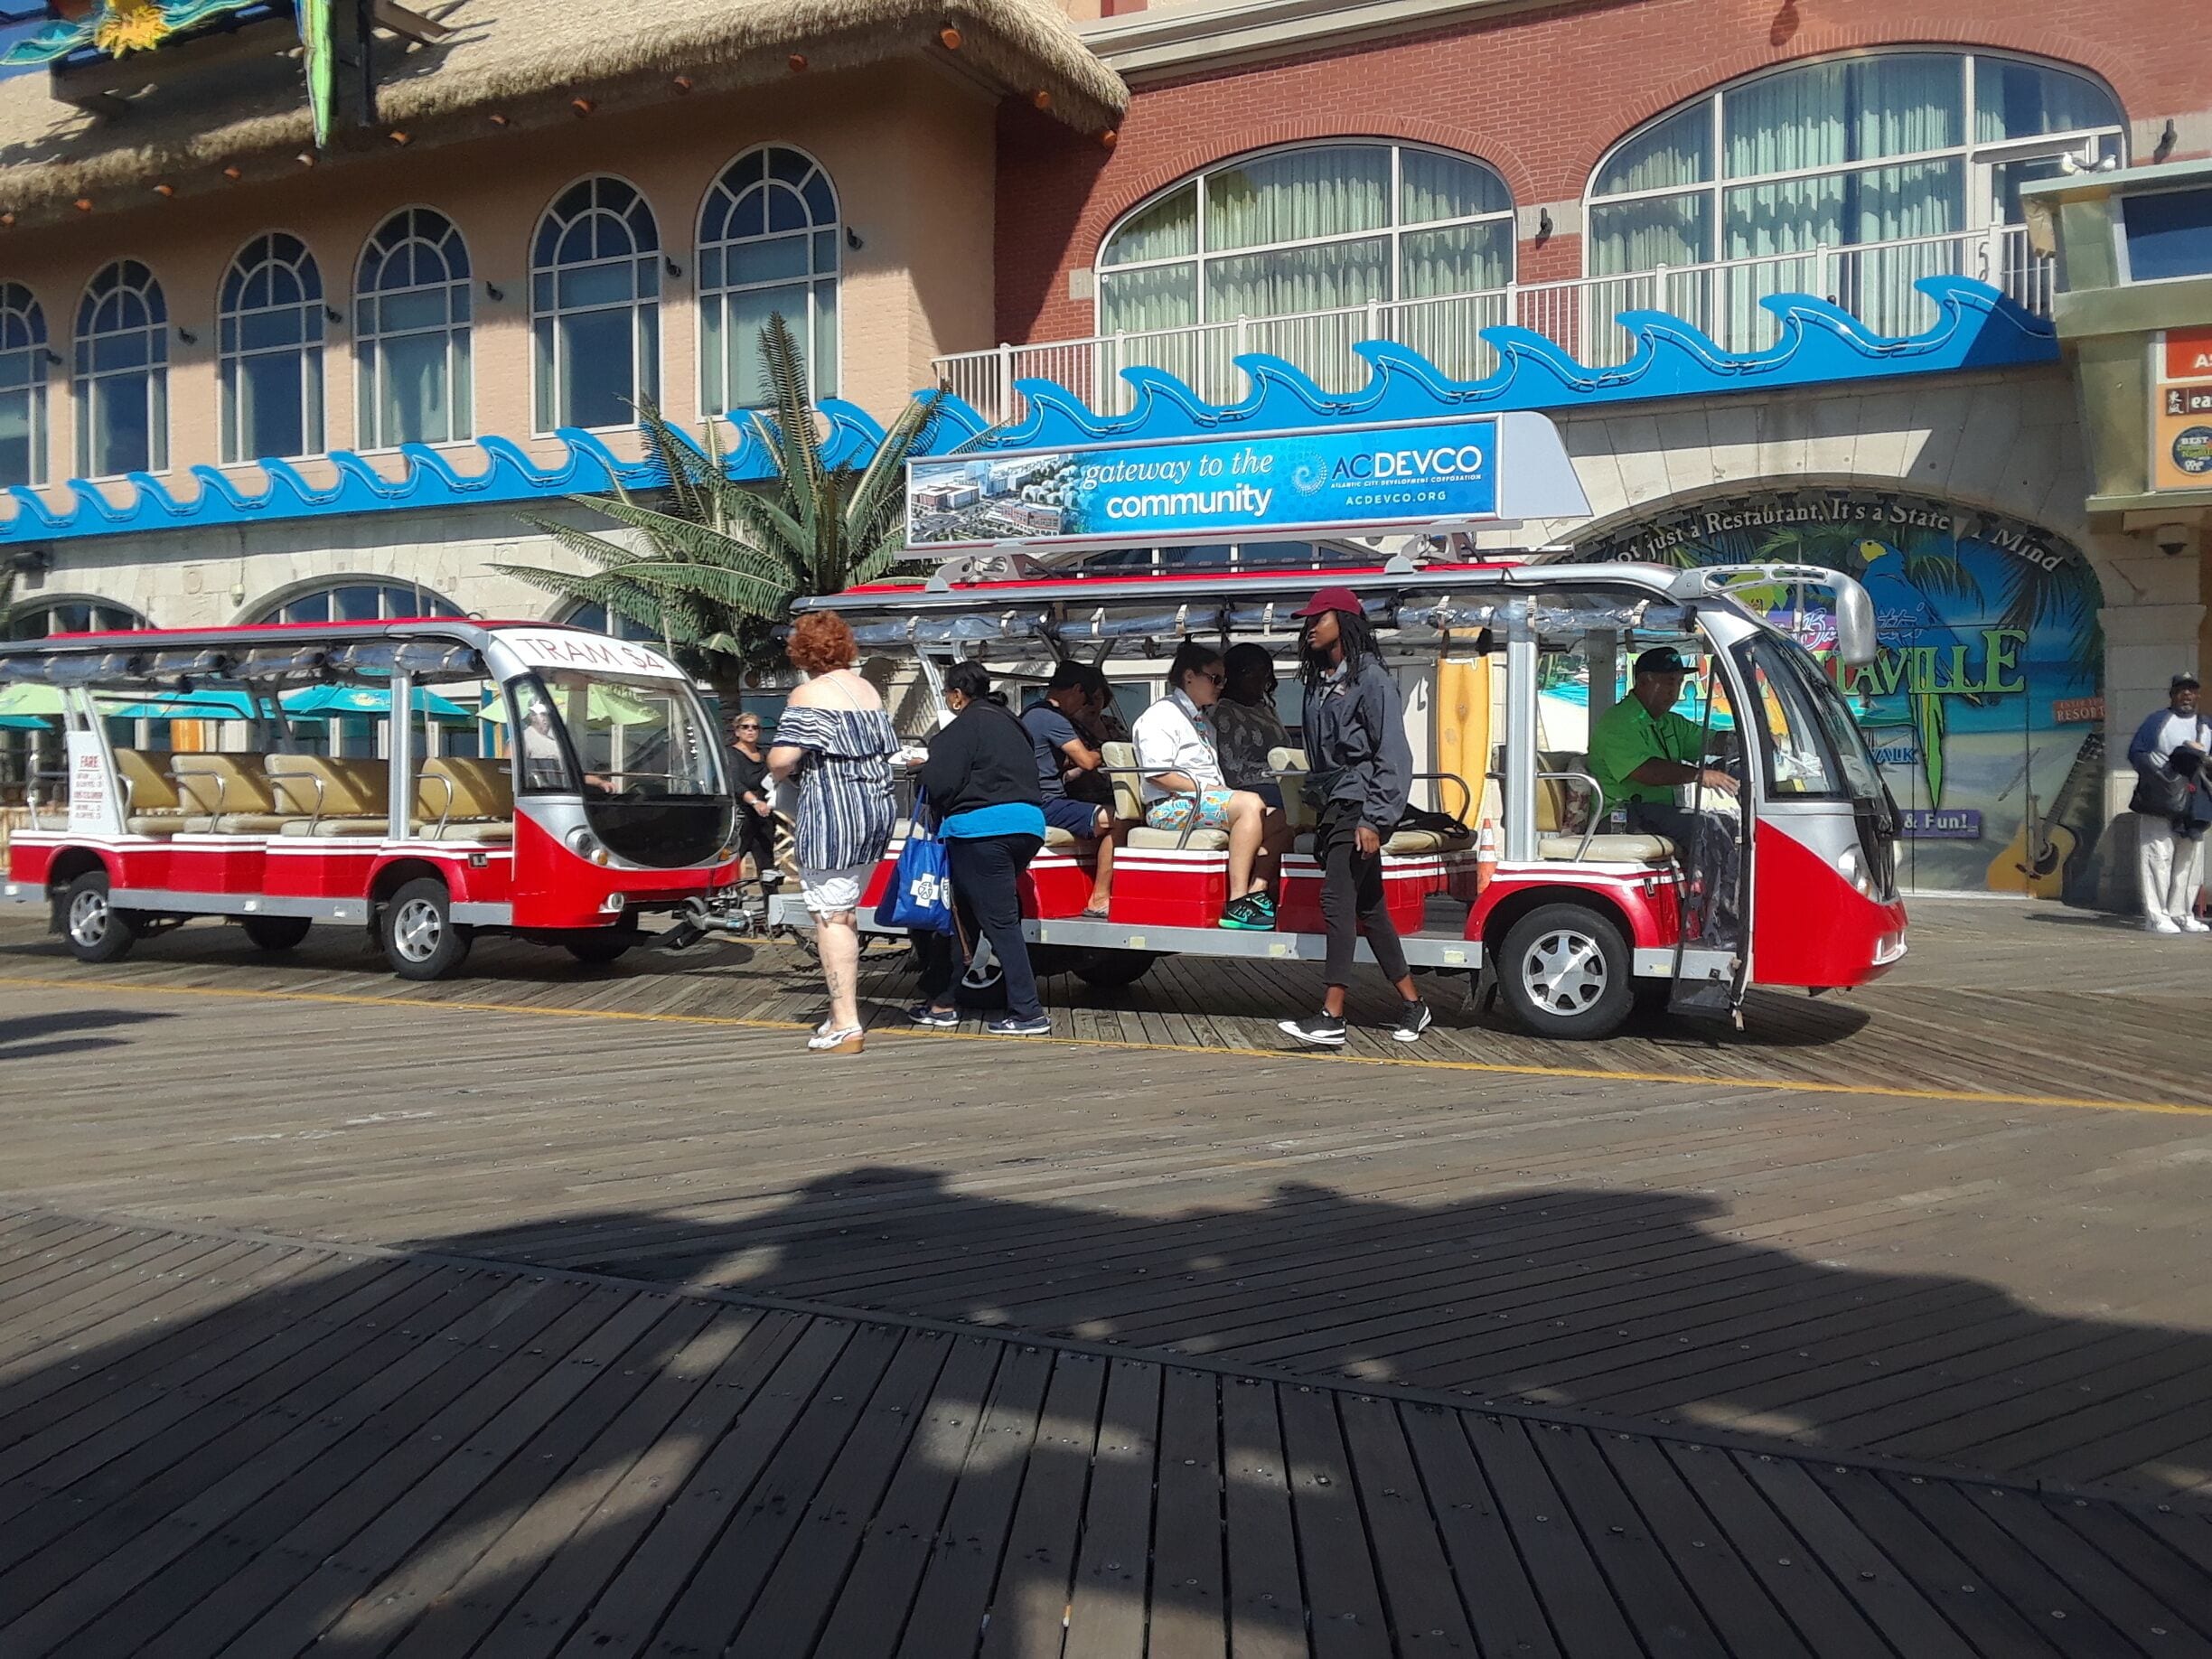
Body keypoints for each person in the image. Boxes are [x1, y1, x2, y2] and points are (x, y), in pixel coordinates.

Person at [1277, 589, 1431, 1047]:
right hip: (1333, 806)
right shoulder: (1318, 681)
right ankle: (1414, 1005)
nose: (1308, 627)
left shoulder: (1373, 679)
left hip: (1360, 805)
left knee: (1336, 902)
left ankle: (1331, 1015)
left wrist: (1376, 819)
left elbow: (1394, 754)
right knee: (1370, 909)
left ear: (1343, 621)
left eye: (1316, 619)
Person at [768, 611, 901, 1054]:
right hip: (875, 812)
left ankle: (846, 1022)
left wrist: (779, 769)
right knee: (846, 910)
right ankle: (839, 1015)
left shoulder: (809, 693)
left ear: (803, 651)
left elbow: (782, 759)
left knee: (830, 915)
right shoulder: (867, 691)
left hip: (834, 813)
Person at [911, 661, 1053, 1036]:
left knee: (1000, 923)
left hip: (981, 832)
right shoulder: (1013, 723)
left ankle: (1028, 1012)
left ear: (957, 696)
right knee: (963, 919)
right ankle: (942, 1000)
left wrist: (921, 770)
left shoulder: (960, 729)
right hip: (1028, 827)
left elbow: (939, 783)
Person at [1585, 644, 1741, 942]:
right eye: (1669, 683)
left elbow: (1707, 740)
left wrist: (1745, 740)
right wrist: (1699, 775)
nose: (1676, 692)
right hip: (1621, 816)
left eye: (1679, 684)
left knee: (1726, 821)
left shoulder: (1668, 723)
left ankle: (1705, 915)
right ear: (1644, 681)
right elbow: (1645, 772)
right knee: (1705, 826)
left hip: (1654, 815)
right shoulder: (1619, 722)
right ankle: (1715, 924)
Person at [1131, 640, 1289, 930]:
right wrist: (1210, 791)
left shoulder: (1201, 720)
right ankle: (1237, 901)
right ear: (1189, 676)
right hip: (1169, 807)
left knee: (1282, 816)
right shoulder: (1161, 716)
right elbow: (1157, 774)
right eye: (1215, 679)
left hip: (1199, 802)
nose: (1220, 686)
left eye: (1223, 679)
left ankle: (1257, 891)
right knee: (1249, 803)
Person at [1021, 660, 1123, 917]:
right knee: (1120, 818)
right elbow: (1087, 761)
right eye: (1086, 699)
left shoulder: (1031, 713)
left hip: (1034, 800)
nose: (1085, 707)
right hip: (1047, 803)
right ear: (1077, 690)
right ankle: (1100, 897)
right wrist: (1108, 751)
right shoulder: (1053, 718)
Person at [2128, 671, 2212, 934]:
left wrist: (2200, 757)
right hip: (2162, 799)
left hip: (2195, 800)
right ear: (2173, 695)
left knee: (2189, 859)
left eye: (2191, 690)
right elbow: (2137, 753)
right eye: (2181, 690)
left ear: (2197, 695)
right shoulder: (2157, 721)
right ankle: (2156, 915)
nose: (2186, 695)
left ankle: (2183, 912)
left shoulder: (2206, 725)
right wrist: (2166, 772)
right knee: (2157, 855)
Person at [1212, 642, 1292, 808]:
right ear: (1232, 675)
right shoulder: (1224, 711)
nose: (1259, 679)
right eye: (1249, 672)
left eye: (1263, 673)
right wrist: (1274, 773)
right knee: (1295, 799)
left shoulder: (1266, 709)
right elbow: (1231, 768)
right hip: (1249, 787)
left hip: (1284, 779)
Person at [725, 710, 778, 882]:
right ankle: (730, 901)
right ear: (737, 731)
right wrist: (754, 801)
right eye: (745, 727)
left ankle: (771, 902)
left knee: (767, 863)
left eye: (755, 727)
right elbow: (735, 783)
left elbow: (777, 778)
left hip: (764, 813)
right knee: (733, 859)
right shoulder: (731, 754)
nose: (750, 730)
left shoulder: (766, 754)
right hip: (741, 814)